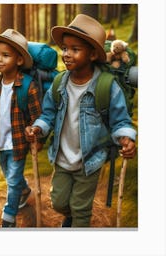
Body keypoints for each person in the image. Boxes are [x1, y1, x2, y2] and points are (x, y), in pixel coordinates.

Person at [25, 14, 137, 227]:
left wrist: (126, 139)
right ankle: (74, 218)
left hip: (90, 160)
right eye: (65, 48)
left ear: (93, 54)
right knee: (58, 202)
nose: (66, 54)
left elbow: (120, 120)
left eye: (75, 49)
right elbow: (48, 113)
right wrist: (38, 128)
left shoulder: (106, 86)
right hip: (62, 158)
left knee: (80, 208)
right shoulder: (60, 82)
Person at [0, 29, 42, 228]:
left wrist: (36, 135)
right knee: (10, 176)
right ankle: (25, 192)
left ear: (19, 60)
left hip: (18, 143)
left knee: (12, 180)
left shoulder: (28, 86)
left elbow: (37, 116)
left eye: (5, 55)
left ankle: (9, 216)